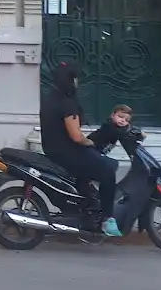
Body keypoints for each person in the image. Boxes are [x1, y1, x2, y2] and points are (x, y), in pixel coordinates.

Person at [40, 65, 123, 237]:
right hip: (67, 151)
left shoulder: (49, 98)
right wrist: (90, 142)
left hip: (53, 149)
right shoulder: (68, 103)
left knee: (92, 164)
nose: (78, 82)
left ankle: (87, 203)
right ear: (70, 81)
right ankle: (107, 219)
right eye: (75, 78)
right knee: (107, 169)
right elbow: (77, 137)